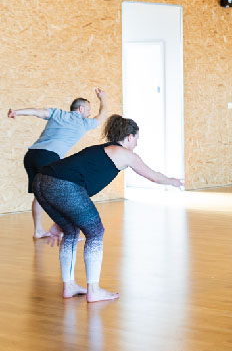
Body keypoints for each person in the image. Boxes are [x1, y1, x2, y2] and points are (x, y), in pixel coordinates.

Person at [33, 115, 183, 302]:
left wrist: (60, 221)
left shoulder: (99, 150)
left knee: (70, 230)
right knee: (95, 232)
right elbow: (153, 176)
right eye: (136, 138)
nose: (136, 143)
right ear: (129, 137)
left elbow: (70, 182)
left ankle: (69, 286)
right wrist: (173, 181)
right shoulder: (126, 155)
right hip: (63, 185)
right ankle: (94, 290)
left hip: (41, 181)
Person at [8, 90, 108, 239]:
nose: (90, 113)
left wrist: (17, 112)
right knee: (61, 193)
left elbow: (37, 112)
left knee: (40, 194)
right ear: (81, 109)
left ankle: (38, 231)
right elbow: (102, 116)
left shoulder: (58, 113)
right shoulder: (83, 123)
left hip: (31, 155)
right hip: (48, 156)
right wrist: (103, 98)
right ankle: (67, 232)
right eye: (88, 109)